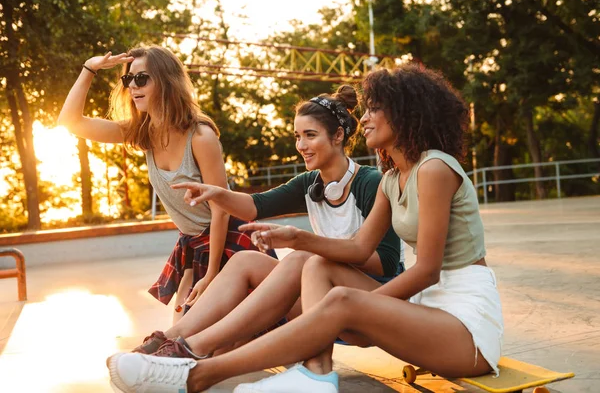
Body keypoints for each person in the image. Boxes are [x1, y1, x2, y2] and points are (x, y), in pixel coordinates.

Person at [106, 64, 504, 393]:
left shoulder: (433, 168)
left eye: (373, 109)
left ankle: (194, 377)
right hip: (424, 315)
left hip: (465, 329)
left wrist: (360, 306)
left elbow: (426, 270)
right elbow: (356, 246)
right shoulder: (392, 177)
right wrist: (297, 239)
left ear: (405, 112)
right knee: (310, 264)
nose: (363, 118)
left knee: (339, 296)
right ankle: (306, 371)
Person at [126, 85, 404, 361]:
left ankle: (194, 347)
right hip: (325, 299)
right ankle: (173, 339)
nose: (301, 146)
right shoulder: (310, 183)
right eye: (297, 137)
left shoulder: (370, 183)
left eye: (310, 135)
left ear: (338, 135)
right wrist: (216, 193)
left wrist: (313, 249)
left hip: (375, 303)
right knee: (246, 260)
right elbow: (254, 207)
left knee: (302, 260)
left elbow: (386, 263)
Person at [57, 46, 273, 322]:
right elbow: (70, 122)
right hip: (194, 245)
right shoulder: (142, 133)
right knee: (183, 331)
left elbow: (221, 210)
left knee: (222, 336)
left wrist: (211, 276)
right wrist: (89, 69)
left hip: (230, 242)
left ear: (167, 80)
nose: (133, 86)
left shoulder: (200, 136)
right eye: (128, 79)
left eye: (142, 78)